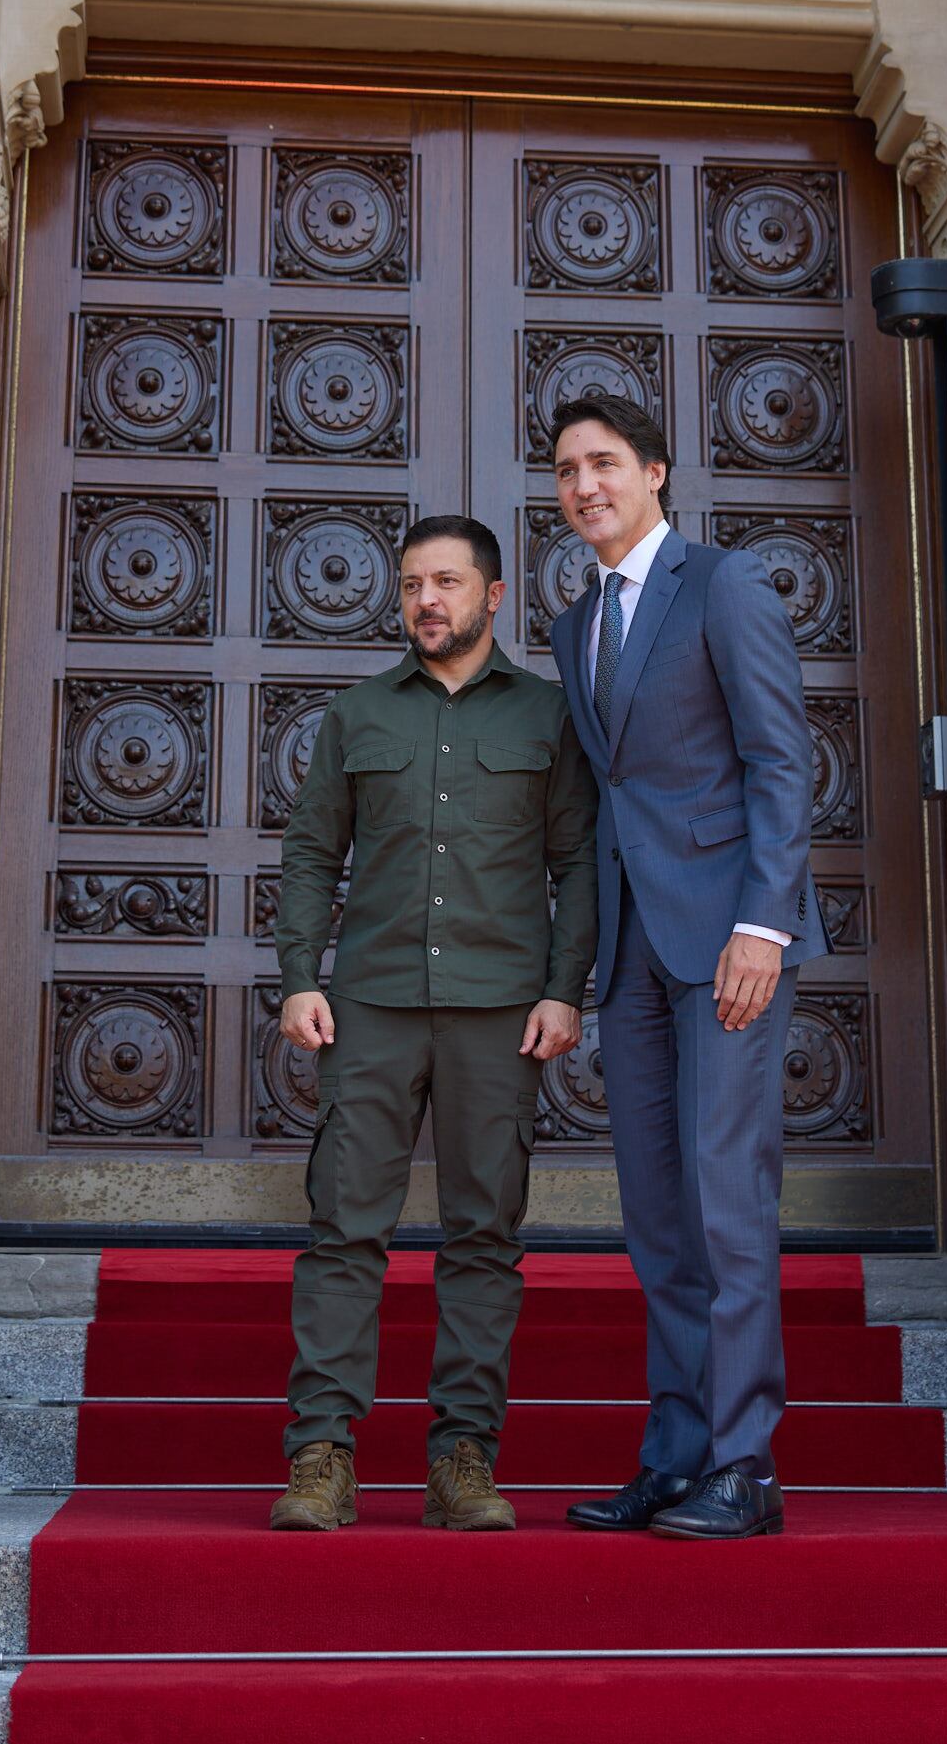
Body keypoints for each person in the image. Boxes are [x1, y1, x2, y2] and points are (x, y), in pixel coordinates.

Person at [266, 514, 598, 1532]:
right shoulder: (359, 716)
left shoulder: (547, 718)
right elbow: (314, 853)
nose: (426, 602)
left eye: (447, 583)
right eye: (413, 584)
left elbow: (578, 862)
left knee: (484, 1238)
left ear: (493, 596)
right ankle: (322, 1456)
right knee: (342, 1234)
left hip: (500, 1014)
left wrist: (563, 987)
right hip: (369, 1007)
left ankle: (463, 1457)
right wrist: (297, 975)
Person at [547, 393, 824, 1542]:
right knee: (660, 1221)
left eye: (605, 462)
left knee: (726, 1206)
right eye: (565, 470)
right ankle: (676, 1457)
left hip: (726, 948)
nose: (583, 486)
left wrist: (762, 926)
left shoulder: (723, 584)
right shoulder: (574, 624)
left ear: (656, 471)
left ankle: (745, 1467)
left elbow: (779, 758)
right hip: (633, 953)